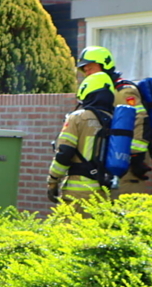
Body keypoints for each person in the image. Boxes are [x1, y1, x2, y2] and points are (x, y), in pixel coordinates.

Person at [75, 46, 151, 195]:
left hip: (126, 156)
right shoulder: (99, 90)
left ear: (105, 65)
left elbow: (139, 120)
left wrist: (135, 155)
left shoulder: (123, 91)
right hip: (111, 155)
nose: (87, 73)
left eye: (91, 68)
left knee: (126, 199)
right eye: (85, 70)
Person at [47, 71, 116, 205]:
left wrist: (53, 181)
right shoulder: (114, 120)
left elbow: (64, 152)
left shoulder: (78, 117)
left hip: (78, 194)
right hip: (104, 194)